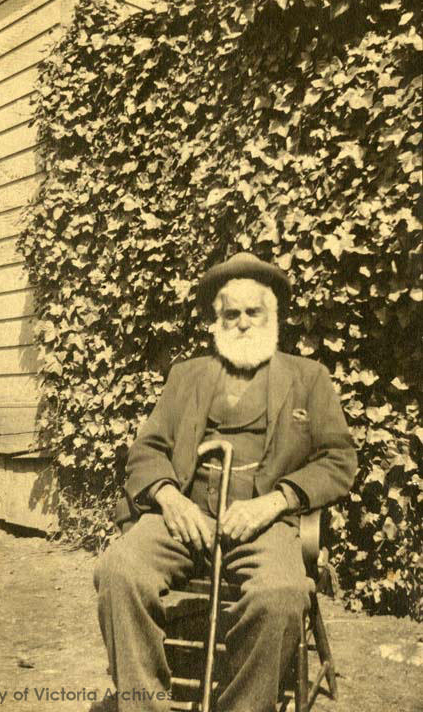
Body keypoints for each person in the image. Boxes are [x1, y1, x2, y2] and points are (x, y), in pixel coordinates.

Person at [93, 253, 357, 712]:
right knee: (119, 570)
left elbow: (338, 459)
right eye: (230, 313)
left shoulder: (308, 378)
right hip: (185, 518)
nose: (242, 323)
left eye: (253, 312)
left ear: (273, 316)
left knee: (280, 595)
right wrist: (170, 497)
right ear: (216, 320)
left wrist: (277, 501)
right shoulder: (187, 375)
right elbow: (146, 450)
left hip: (263, 523)